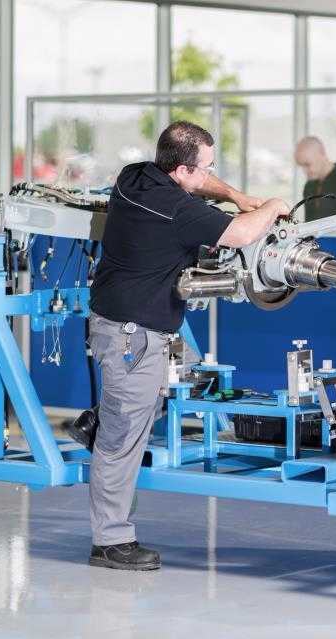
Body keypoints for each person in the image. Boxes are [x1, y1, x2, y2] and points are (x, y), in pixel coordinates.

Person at [84, 121, 288, 571]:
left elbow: (201, 184)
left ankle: (99, 418)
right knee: (121, 439)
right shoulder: (177, 209)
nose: (210, 174)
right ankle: (110, 541)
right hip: (133, 336)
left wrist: (234, 194)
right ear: (181, 170)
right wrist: (272, 206)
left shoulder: (135, 176)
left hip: (132, 327)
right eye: (206, 168)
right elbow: (242, 235)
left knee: (189, 382)